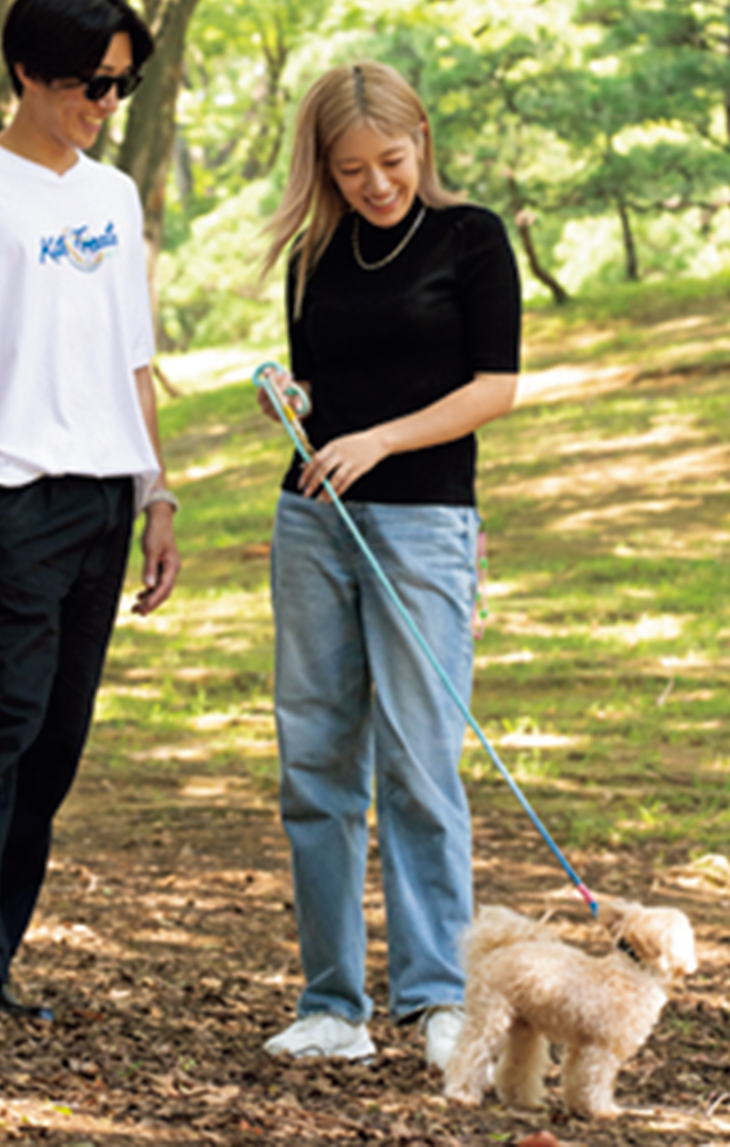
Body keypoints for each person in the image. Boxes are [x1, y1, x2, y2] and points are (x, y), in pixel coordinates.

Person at [0, 0, 180, 1020]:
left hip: (107, 494)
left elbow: (134, 356)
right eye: (90, 85)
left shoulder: (112, 197)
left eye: (122, 86)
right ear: (27, 71)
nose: (106, 105)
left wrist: (158, 495)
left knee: (58, 739)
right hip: (13, 495)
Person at [256, 61, 521, 1067]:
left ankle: (434, 998)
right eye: (353, 168)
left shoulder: (472, 238)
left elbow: (494, 387)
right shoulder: (315, 250)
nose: (377, 184)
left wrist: (380, 440)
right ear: (324, 167)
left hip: (422, 525)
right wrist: (292, 398)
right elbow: (327, 385)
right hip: (312, 523)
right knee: (316, 762)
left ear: (422, 142)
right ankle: (331, 1002)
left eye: (393, 161)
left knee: (420, 766)